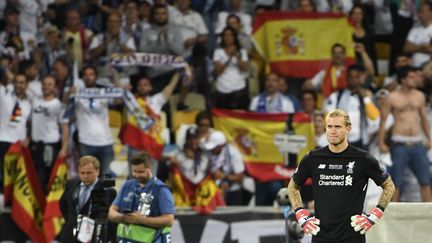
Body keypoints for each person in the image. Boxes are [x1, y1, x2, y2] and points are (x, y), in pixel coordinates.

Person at [287, 109, 395, 242]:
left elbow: (389, 186)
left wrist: (374, 216)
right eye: (329, 126)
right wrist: (301, 214)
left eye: (337, 127)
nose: (333, 131)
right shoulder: (312, 158)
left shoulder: (363, 158)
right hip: (321, 237)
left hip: (352, 237)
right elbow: (292, 187)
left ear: (348, 129)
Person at [379, 66, 432, 202]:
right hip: (399, 144)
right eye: (411, 77)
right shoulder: (392, 97)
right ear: (403, 79)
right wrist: (381, 142)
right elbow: (383, 121)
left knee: (425, 182)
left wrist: (429, 138)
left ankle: (429, 216)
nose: (415, 80)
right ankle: (390, 217)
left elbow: (424, 119)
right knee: (396, 183)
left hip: (417, 143)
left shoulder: (420, 96)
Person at [108, 151, 175, 243]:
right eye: (134, 171)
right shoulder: (127, 185)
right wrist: (123, 218)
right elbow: (111, 212)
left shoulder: (161, 190)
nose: (137, 175)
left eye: (141, 172)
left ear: (149, 168)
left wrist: (141, 220)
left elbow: (169, 220)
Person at [59, 156, 116, 243]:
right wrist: (71, 221)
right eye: (82, 173)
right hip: (70, 235)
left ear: (97, 171)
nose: (85, 176)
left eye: (89, 173)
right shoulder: (71, 184)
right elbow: (63, 205)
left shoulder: (108, 191)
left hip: (94, 236)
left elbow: (110, 218)